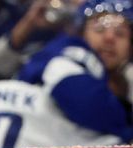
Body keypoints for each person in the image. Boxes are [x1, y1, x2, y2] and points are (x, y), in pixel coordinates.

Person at [17, 0, 133, 138]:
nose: (109, 38)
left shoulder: (125, 80)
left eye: (120, 33)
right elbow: (91, 107)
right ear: (80, 33)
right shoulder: (65, 55)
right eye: (99, 29)